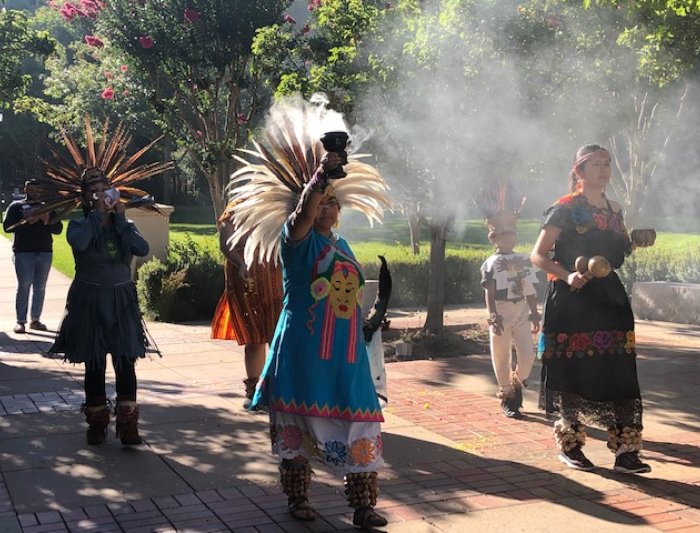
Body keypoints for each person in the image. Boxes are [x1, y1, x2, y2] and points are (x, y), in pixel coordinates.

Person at [226, 97, 392, 528]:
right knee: (297, 428)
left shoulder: (343, 245)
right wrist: (320, 176)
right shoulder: (295, 241)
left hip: (347, 354)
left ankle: (363, 506)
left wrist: (368, 322)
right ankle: (299, 499)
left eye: (333, 203)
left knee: (362, 423)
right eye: (321, 203)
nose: (326, 209)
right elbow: (301, 213)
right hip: (302, 350)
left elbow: (349, 295)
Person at [530, 144, 651, 474]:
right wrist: (568, 274)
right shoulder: (564, 208)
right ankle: (571, 446)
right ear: (578, 172)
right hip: (572, 299)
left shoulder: (615, 209)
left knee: (620, 371)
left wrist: (634, 241)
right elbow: (538, 255)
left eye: (607, 164)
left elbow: (618, 251)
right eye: (595, 165)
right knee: (573, 371)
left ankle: (627, 452)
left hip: (610, 300)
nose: (603, 170)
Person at [50, 169, 153, 445]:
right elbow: (80, 243)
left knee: (125, 362)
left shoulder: (124, 225)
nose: (101, 196)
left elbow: (141, 249)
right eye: (94, 192)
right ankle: (96, 423)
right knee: (94, 364)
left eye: (104, 190)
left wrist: (119, 220)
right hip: (90, 302)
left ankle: (128, 424)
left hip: (121, 303)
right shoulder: (79, 226)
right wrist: (97, 213)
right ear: (86, 198)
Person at [211, 206, 283, 409]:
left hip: (273, 278)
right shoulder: (235, 209)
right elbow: (226, 244)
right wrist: (240, 263)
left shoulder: (276, 206)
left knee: (277, 335)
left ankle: (279, 390)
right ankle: (254, 392)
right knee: (253, 337)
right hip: (244, 280)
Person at [480, 208, 540, 419]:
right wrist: (493, 316)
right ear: (493, 238)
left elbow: (529, 288)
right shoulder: (491, 263)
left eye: (511, 233)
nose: (508, 238)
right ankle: (507, 395)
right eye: (503, 234)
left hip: (522, 311)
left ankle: (517, 384)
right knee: (501, 355)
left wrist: (534, 312)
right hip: (502, 313)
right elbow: (490, 292)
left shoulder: (524, 259)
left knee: (527, 355)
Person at [3, 179, 63, 334]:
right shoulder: (16, 207)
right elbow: (7, 227)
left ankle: (35, 320)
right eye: (31, 190)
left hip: (44, 251)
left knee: (40, 287)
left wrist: (46, 220)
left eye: (37, 191)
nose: (35, 193)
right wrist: (27, 221)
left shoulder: (48, 208)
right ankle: (20, 321)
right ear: (25, 190)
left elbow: (58, 229)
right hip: (24, 251)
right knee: (24, 285)